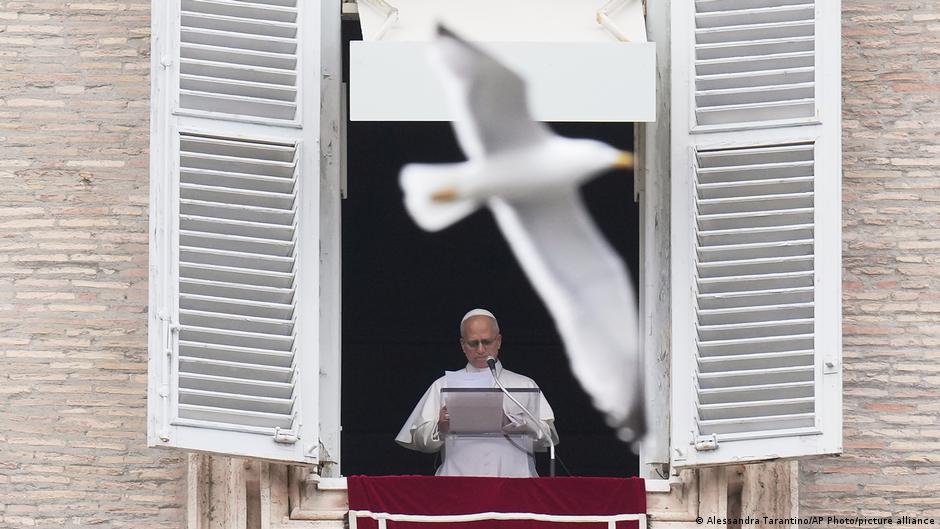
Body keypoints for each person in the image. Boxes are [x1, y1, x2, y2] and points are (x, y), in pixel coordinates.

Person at [395, 308, 559, 477]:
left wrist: (514, 422)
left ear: (499, 341)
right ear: (462, 345)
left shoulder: (525, 385)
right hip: (458, 486)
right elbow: (420, 442)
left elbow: (548, 437)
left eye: (486, 342)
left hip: (516, 485)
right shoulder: (443, 385)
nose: (481, 350)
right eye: (473, 343)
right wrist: (441, 428)